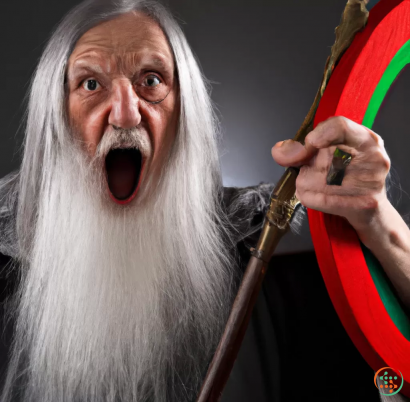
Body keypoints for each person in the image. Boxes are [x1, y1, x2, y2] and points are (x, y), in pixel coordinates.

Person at [0, 0, 408, 401]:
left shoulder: (267, 251)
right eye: (91, 84)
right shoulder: (8, 264)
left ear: (185, 111)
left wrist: (379, 224)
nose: (125, 114)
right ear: (55, 117)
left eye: (152, 81)